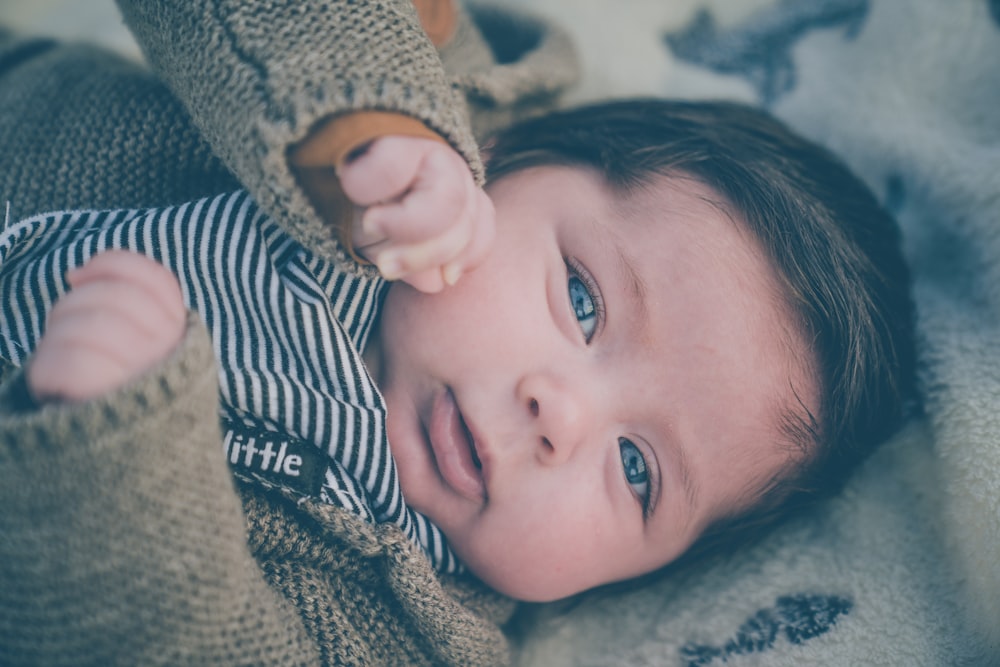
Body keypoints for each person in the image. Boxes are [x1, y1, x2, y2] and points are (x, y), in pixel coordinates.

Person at [0, 2, 915, 666]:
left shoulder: (405, 631)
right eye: (585, 300)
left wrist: (118, 463)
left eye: (638, 468)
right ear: (515, 157)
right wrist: (370, 124)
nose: (558, 415)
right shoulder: (432, 93)